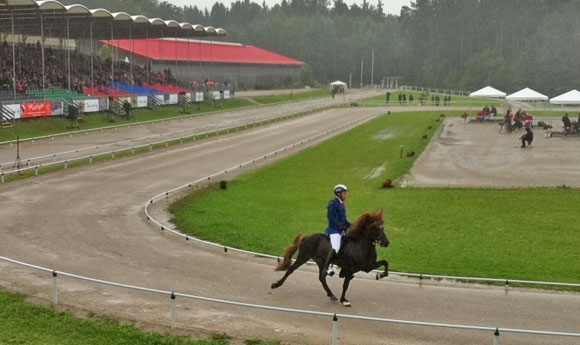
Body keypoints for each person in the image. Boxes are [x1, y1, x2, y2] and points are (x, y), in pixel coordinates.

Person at [323, 184, 351, 277]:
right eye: (344, 193)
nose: (346, 195)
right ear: (338, 194)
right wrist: (341, 227)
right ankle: (326, 268)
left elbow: (344, 219)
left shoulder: (342, 204)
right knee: (336, 247)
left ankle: (344, 269)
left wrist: (352, 225)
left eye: (345, 193)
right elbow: (331, 218)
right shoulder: (332, 203)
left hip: (341, 230)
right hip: (334, 230)